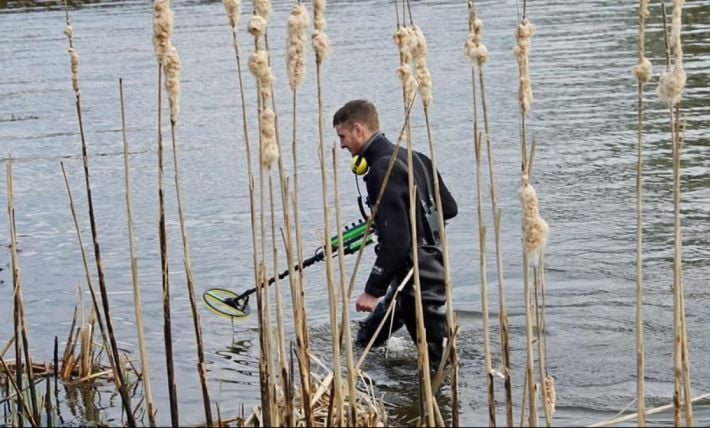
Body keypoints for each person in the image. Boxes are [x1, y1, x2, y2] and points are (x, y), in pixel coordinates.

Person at [332, 99, 458, 367]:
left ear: (358, 129)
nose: (342, 145)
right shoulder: (417, 157)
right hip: (422, 268)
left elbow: (398, 241)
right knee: (366, 339)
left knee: (439, 363)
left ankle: (441, 403)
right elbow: (449, 209)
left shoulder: (381, 170)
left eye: (342, 136)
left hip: (418, 279)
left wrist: (371, 291)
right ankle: (360, 364)